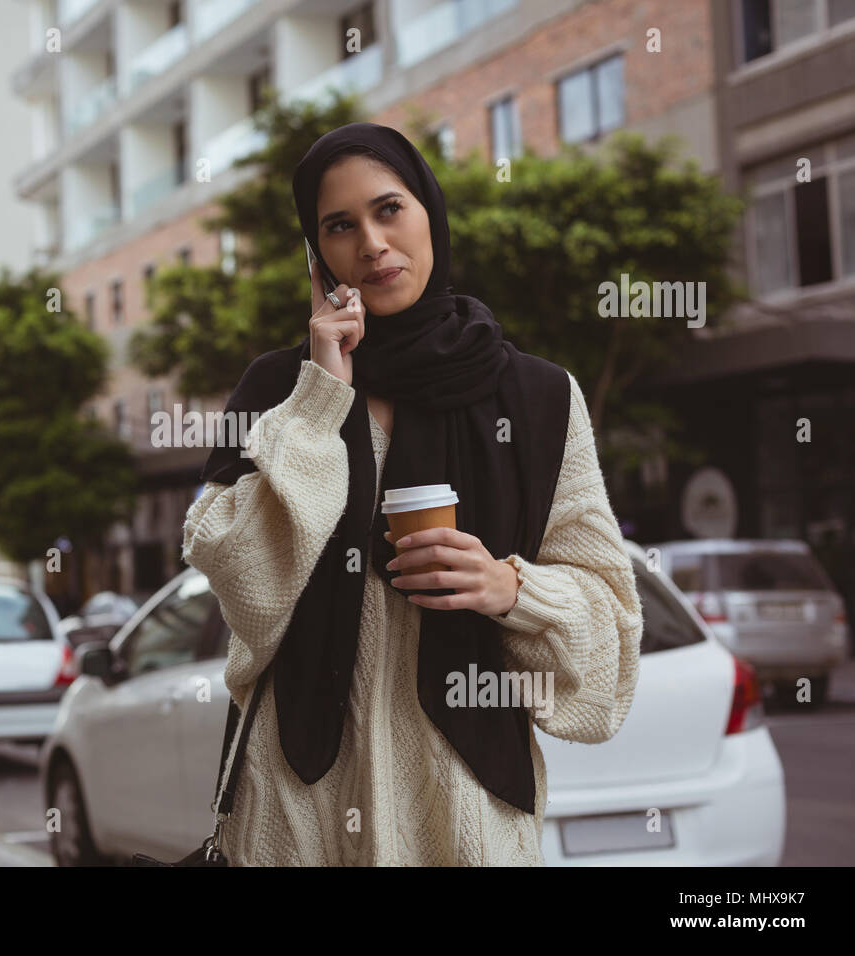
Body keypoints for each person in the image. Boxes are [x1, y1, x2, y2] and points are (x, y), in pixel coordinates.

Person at [182, 122, 643, 866]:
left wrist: (507, 588)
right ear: (316, 252)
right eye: (339, 226)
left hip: (464, 812)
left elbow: (612, 640)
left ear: (429, 211)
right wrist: (320, 397)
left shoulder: (539, 396)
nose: (371, 243)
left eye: (389, 209)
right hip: (297, 815)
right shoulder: (275, 390)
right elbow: (244, 585)